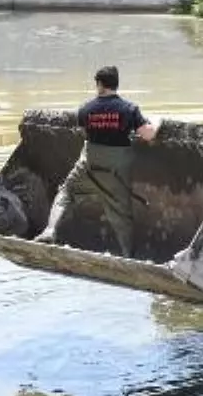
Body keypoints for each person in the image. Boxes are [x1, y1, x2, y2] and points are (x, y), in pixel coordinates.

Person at [34, 66, 158, 258]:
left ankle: (50, 231)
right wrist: (159, 122)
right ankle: (127, 255)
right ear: (116, 84)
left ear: (99, 85)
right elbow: (147, 135)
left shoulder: (86, 109)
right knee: (121, 215)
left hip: (90, 167)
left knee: (66, 192)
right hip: (116, 172)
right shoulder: (129, 109)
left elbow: (86, 135)